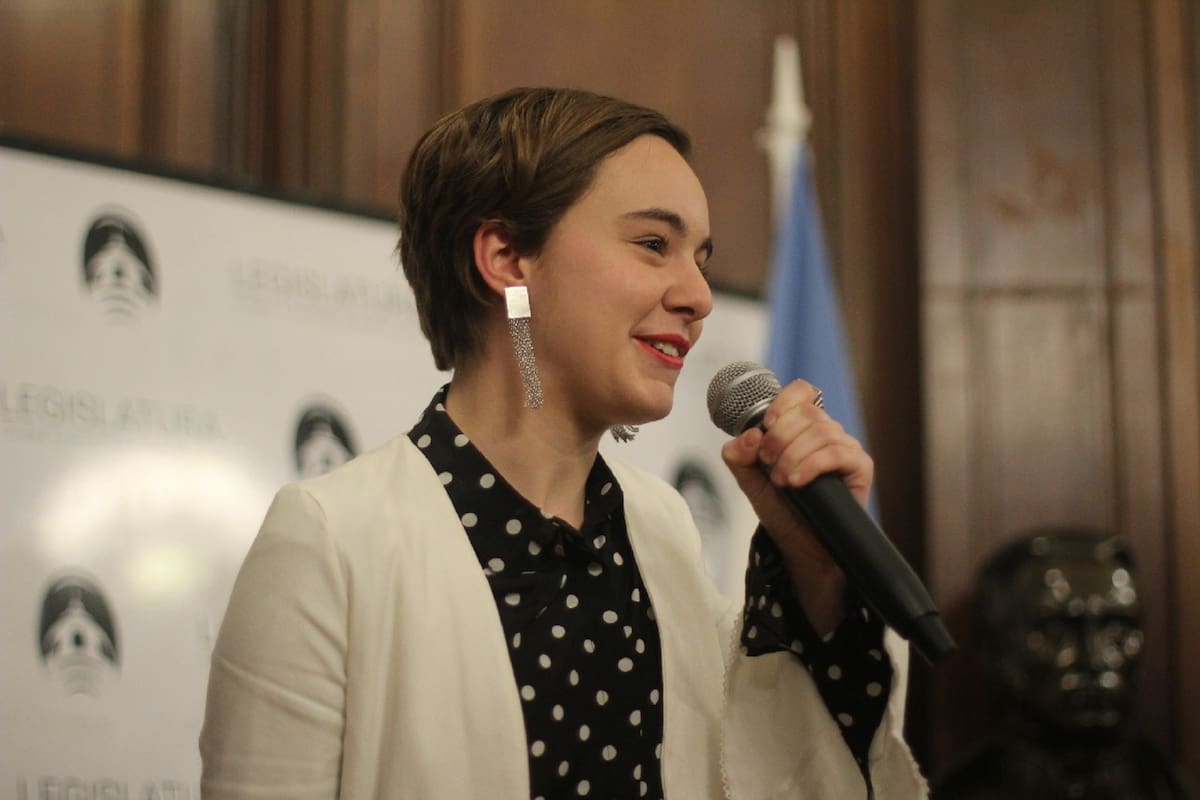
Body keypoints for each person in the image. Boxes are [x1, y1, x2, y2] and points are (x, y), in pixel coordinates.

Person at [199, 87, 925, 799]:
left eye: (700, 256)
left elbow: (779, 773)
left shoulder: (661, 527)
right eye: (653, 244)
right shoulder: (330, 540)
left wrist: (815, 573)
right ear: (508, 260)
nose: (699, 295)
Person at [933, 527, 1193, 799]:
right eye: (1056, 633)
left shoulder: (1169, 787)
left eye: (1118, 631)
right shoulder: (956, 793)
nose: (1096, 659)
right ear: (996, 649)